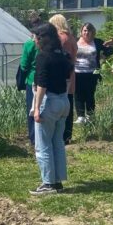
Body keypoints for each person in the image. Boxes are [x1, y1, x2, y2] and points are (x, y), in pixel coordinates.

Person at [29, 22, 72, 195]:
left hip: (49, 101)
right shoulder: (63, 55)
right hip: (63, 101)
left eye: (35, 37)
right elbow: (68, 80)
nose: (34, 40)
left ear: (42, 38)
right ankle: (57, 181)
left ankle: (48, 183)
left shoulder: (43, 57)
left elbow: (42, 84)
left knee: (43, 145)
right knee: (57, 143)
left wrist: (37, 108)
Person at [73, 22, 113, 124]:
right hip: (77, 73)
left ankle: (90, 116)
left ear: (92, 32)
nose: (86, 33)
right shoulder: (75, 41)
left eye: (89, 31)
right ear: (81, 31)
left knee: (90, 94)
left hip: (92, 73)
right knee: (78, 94)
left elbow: (111, 49)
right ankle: (80, 116)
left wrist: (104, 55)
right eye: (84, 30)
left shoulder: (97, 42)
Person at [49, 14, 77, 144]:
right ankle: (67, 134)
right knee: (68, 104)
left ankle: (62, 135)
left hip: (62, 76)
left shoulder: (60, 38)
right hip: (71, 74)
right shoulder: (71, 37)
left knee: (61, 105)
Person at [18, 34, 38, 146]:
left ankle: (34, 138)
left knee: (32, 109)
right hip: (48, 81)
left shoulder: (30, 44)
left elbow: (24, 65)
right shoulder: (51, 42)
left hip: (32, 79)